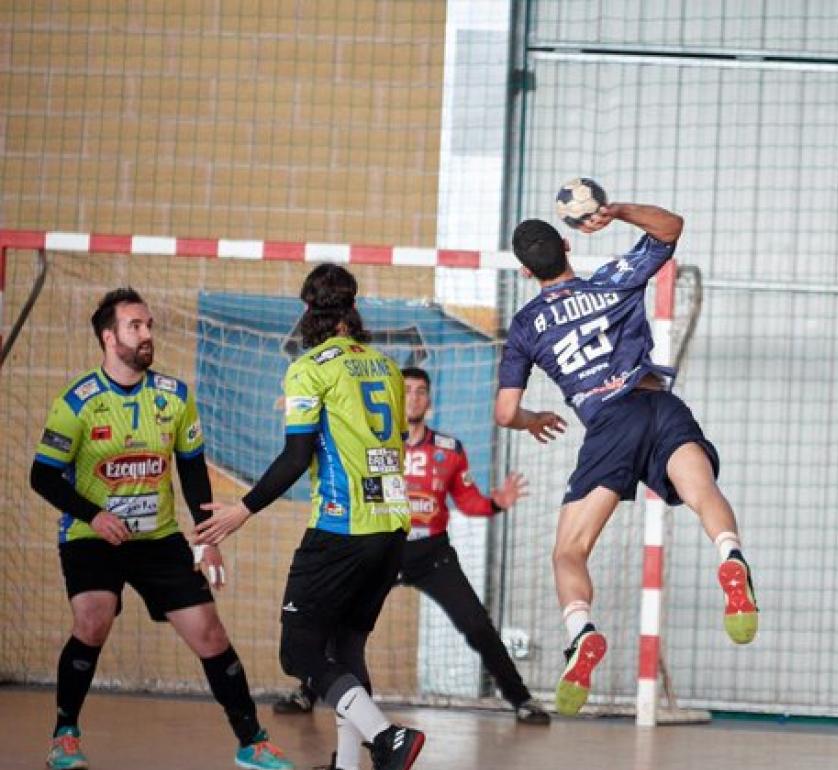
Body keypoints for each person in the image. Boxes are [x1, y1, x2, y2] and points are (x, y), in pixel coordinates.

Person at [495, 199, 758, 717]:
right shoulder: (611, 278)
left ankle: (582, 631)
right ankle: (730, 557)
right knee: (704, 493)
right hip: (658, 401)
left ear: (526, 270)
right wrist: (615, 211)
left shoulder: (527, 326)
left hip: (609, 425)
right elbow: (672, 229)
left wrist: (533, 420)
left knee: (569, 551)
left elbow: (505, 412)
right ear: (568, 245)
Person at [30, 287, 291, 770]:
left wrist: (206, 540)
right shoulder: (77, 402)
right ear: (109, 338)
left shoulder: (175, 398)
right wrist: (94, 514)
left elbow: (192, 470)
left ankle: (252, 742)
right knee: (93, 620)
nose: (147, 334)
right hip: (94, 537)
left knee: (210, 634)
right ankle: (65, 735)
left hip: (159, 539)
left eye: (148, 324)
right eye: (136, 326)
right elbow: (41, 475)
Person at [193, 265, 424, 770]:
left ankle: (387, 737)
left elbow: (296, 458)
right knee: (346, 647)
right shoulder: (385, 366)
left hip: (341, 529)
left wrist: (242, 510)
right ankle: (346, 765)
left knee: (298, 654)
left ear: (307, 312)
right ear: (352, 310)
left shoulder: (310, 367)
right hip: (391, 527)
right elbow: (393, 442)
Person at [271, 366, 550, 725]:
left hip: (430, 553)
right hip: (378, 547)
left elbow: (468, 502)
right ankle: (306, 692)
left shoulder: (449, 450)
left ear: (429, 400)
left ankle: (521, 699)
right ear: (393, 396)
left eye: (421, 391)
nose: (414, 397)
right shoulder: (368, 444)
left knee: (477, 624)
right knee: (334, 621)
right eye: (407, 390)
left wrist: (496, 502)